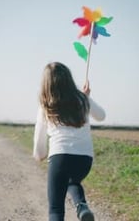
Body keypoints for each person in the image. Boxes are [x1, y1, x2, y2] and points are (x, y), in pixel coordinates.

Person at [33, 62, 106, 221]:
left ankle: (81, 206)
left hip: (60, 158)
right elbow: (101, 116)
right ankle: (81, 206)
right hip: (84, 159)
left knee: (55, 209)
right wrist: (87, 97)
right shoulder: (82, 99)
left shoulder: (46, 105)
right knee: (72, 181)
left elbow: (39, 137)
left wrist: (40, 154)